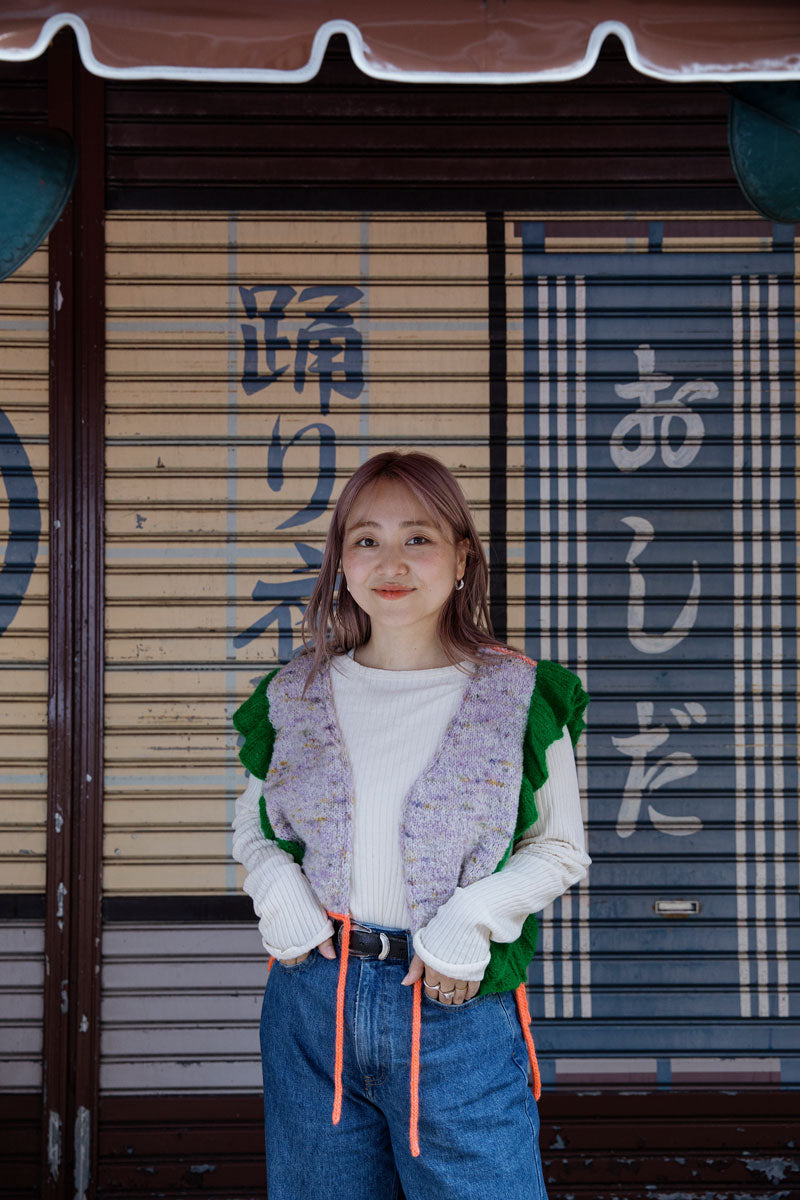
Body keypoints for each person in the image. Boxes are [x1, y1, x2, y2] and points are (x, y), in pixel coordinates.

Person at [232, 450, 590, 1200]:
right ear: (341, 562)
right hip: (312, 1008)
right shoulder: (293, 694)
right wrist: (279, 892)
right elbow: (255, 829)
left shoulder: (522, 695)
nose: (390, 563)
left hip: (454, 1006)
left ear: (461, 559)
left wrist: (470, 919)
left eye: (417, 538)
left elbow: (559, 848)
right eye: (366, 539)